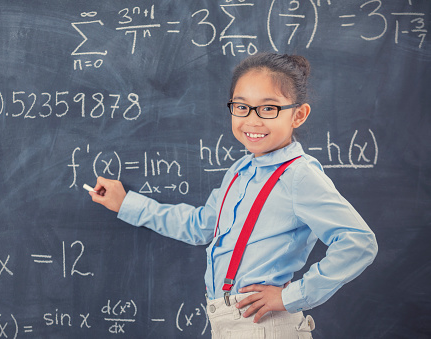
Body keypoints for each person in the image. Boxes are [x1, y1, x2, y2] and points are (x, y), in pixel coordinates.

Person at [89, 53, 378, 338]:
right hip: (228, 324)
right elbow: (202, 225)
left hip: (265, 326)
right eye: (241, 106)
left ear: (298, 115)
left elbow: (359, 242)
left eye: (268, 108)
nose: (251, 120)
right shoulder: (240, 170)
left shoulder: (300, 176)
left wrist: (291, 297)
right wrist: (127, 203)